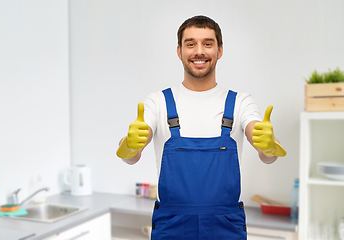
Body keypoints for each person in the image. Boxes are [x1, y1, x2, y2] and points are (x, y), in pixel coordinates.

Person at [116, 15, 286, 240]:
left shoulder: (240, 102)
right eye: (190, 44)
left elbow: (264, 148)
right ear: (179, 51)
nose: (199, 51)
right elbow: (132, 154)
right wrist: (129, 145)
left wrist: (269, 145)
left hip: (226, 227)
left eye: (208, 43)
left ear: (220, 50)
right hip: (171, 227)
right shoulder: (157, 102)